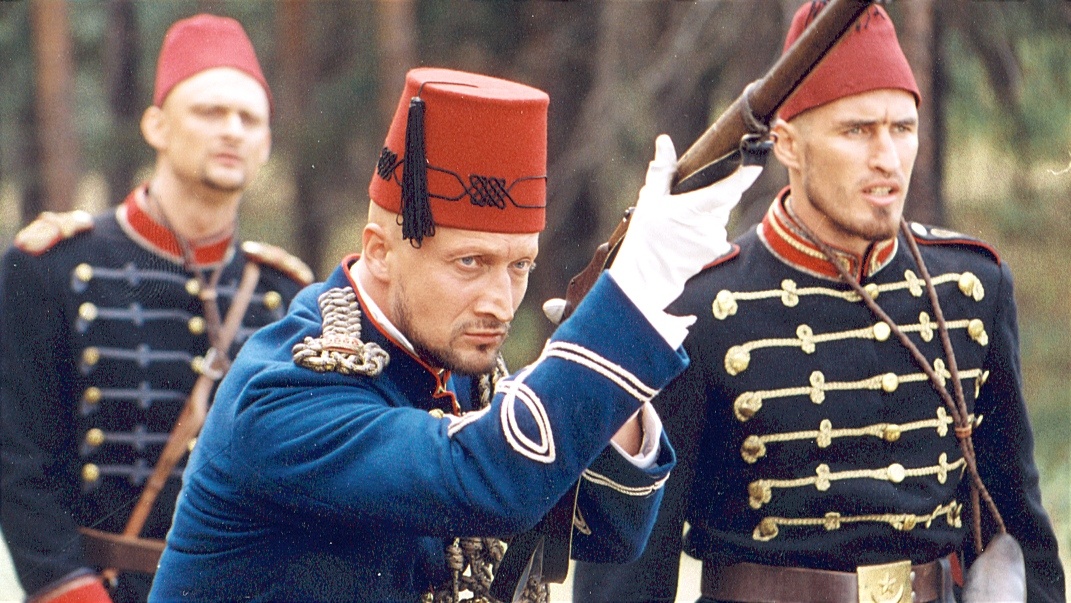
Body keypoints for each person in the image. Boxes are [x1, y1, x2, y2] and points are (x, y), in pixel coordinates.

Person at [146, 66, 765, 602]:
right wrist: (633, 296)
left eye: (519, 266)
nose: (499, 301)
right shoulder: (286, 392)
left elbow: (609, 530)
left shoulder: (456, 369)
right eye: (470, 262)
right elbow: (490, 477)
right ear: (380, 251)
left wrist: (615, 338)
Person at [573, 3, 1066, 603]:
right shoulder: (701, 306)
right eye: (856, 131)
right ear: (787, 144)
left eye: (902, 128)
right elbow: (630, 567)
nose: (887, 158)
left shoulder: (970, 289)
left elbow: (1021, 529)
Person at [0, 14, 313, 603]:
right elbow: (17, 458)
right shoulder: (49, 268)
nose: (232, 130)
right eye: (209, 111)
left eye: (249, 119)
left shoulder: (286, 293)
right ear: (156, 126)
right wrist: (69, 590)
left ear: (267, 143)